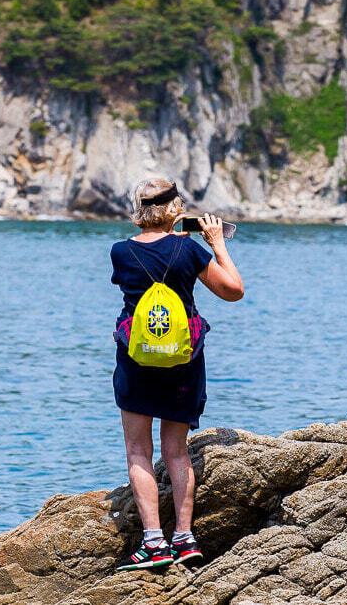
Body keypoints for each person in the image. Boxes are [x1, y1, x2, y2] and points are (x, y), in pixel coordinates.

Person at [109, 178, 244, 570]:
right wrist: (216, 242)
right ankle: (184, 539)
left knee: (138, 450)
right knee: (176, 451)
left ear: (139, 211)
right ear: (176, 209)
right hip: (183, 360)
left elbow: (132, 274)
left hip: (136, 359)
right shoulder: (189, 249)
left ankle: (154, 543)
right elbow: (233, 290)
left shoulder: (120, 252)